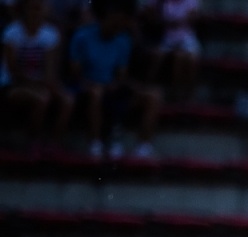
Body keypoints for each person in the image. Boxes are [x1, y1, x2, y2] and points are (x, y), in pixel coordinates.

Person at [69, 0, 159, 160]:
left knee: (152, 95)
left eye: (121, 21)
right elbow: (75, 74)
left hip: (111, 89)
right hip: (86, 89)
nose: (118, 25)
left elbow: (121, 74)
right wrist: (93, 85)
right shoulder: (82, 36)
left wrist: (117, 85)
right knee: (96, 93)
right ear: (104, 17)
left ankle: (143, 146)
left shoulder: (123, 40)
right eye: (115, 20)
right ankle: (94, 143)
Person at [3, 0, 72, 151]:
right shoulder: (12, 32)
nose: (36, 13)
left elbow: (50, 68)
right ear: (25, 10)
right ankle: (32, 141)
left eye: (40, 9)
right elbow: (12, 69)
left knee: (67, 100)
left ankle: (55, 143)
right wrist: (34, 84)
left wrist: (49, 84)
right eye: (33, 8)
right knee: (42, 98)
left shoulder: (50, 33)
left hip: (40, 83)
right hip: (14, 84)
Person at [141, 0, 198, 103]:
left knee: (187, 58)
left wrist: (174, 21)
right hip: (164, 37)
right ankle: (149, 87)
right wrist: (160, 19)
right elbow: (149, 14)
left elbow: (192, 17)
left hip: (185, 36)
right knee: (157, 56)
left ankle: (185, 94)